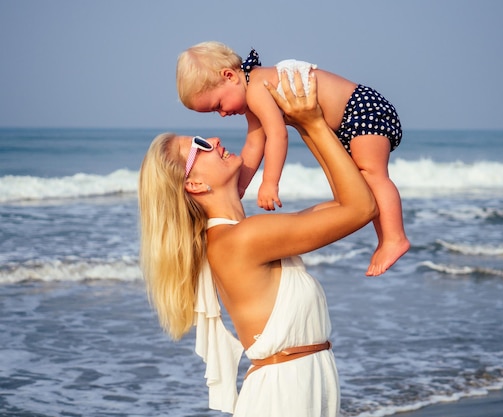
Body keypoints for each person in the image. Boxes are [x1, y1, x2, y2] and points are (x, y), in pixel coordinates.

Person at [138, 71, 377, 416]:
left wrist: (305, 124)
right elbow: (361, 207)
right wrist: (313, 124)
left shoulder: (243, 234)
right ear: (196, 186)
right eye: (201, 146)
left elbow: (351, 200)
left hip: (296, 386)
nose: (216, 139)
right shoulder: (242, 240)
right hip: (283, 396)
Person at [176, 41, 410, 276]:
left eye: (218, 105)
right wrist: (240, 186)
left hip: (362, 110)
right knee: (364, 180)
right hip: (344, 123)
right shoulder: (251, 93)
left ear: (229, 76)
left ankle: (394, 238)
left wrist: (270, 182)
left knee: (372, 174)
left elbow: (277, 135)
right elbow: (254, 143)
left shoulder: (257, 88)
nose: (223, 114)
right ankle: (386, 239)